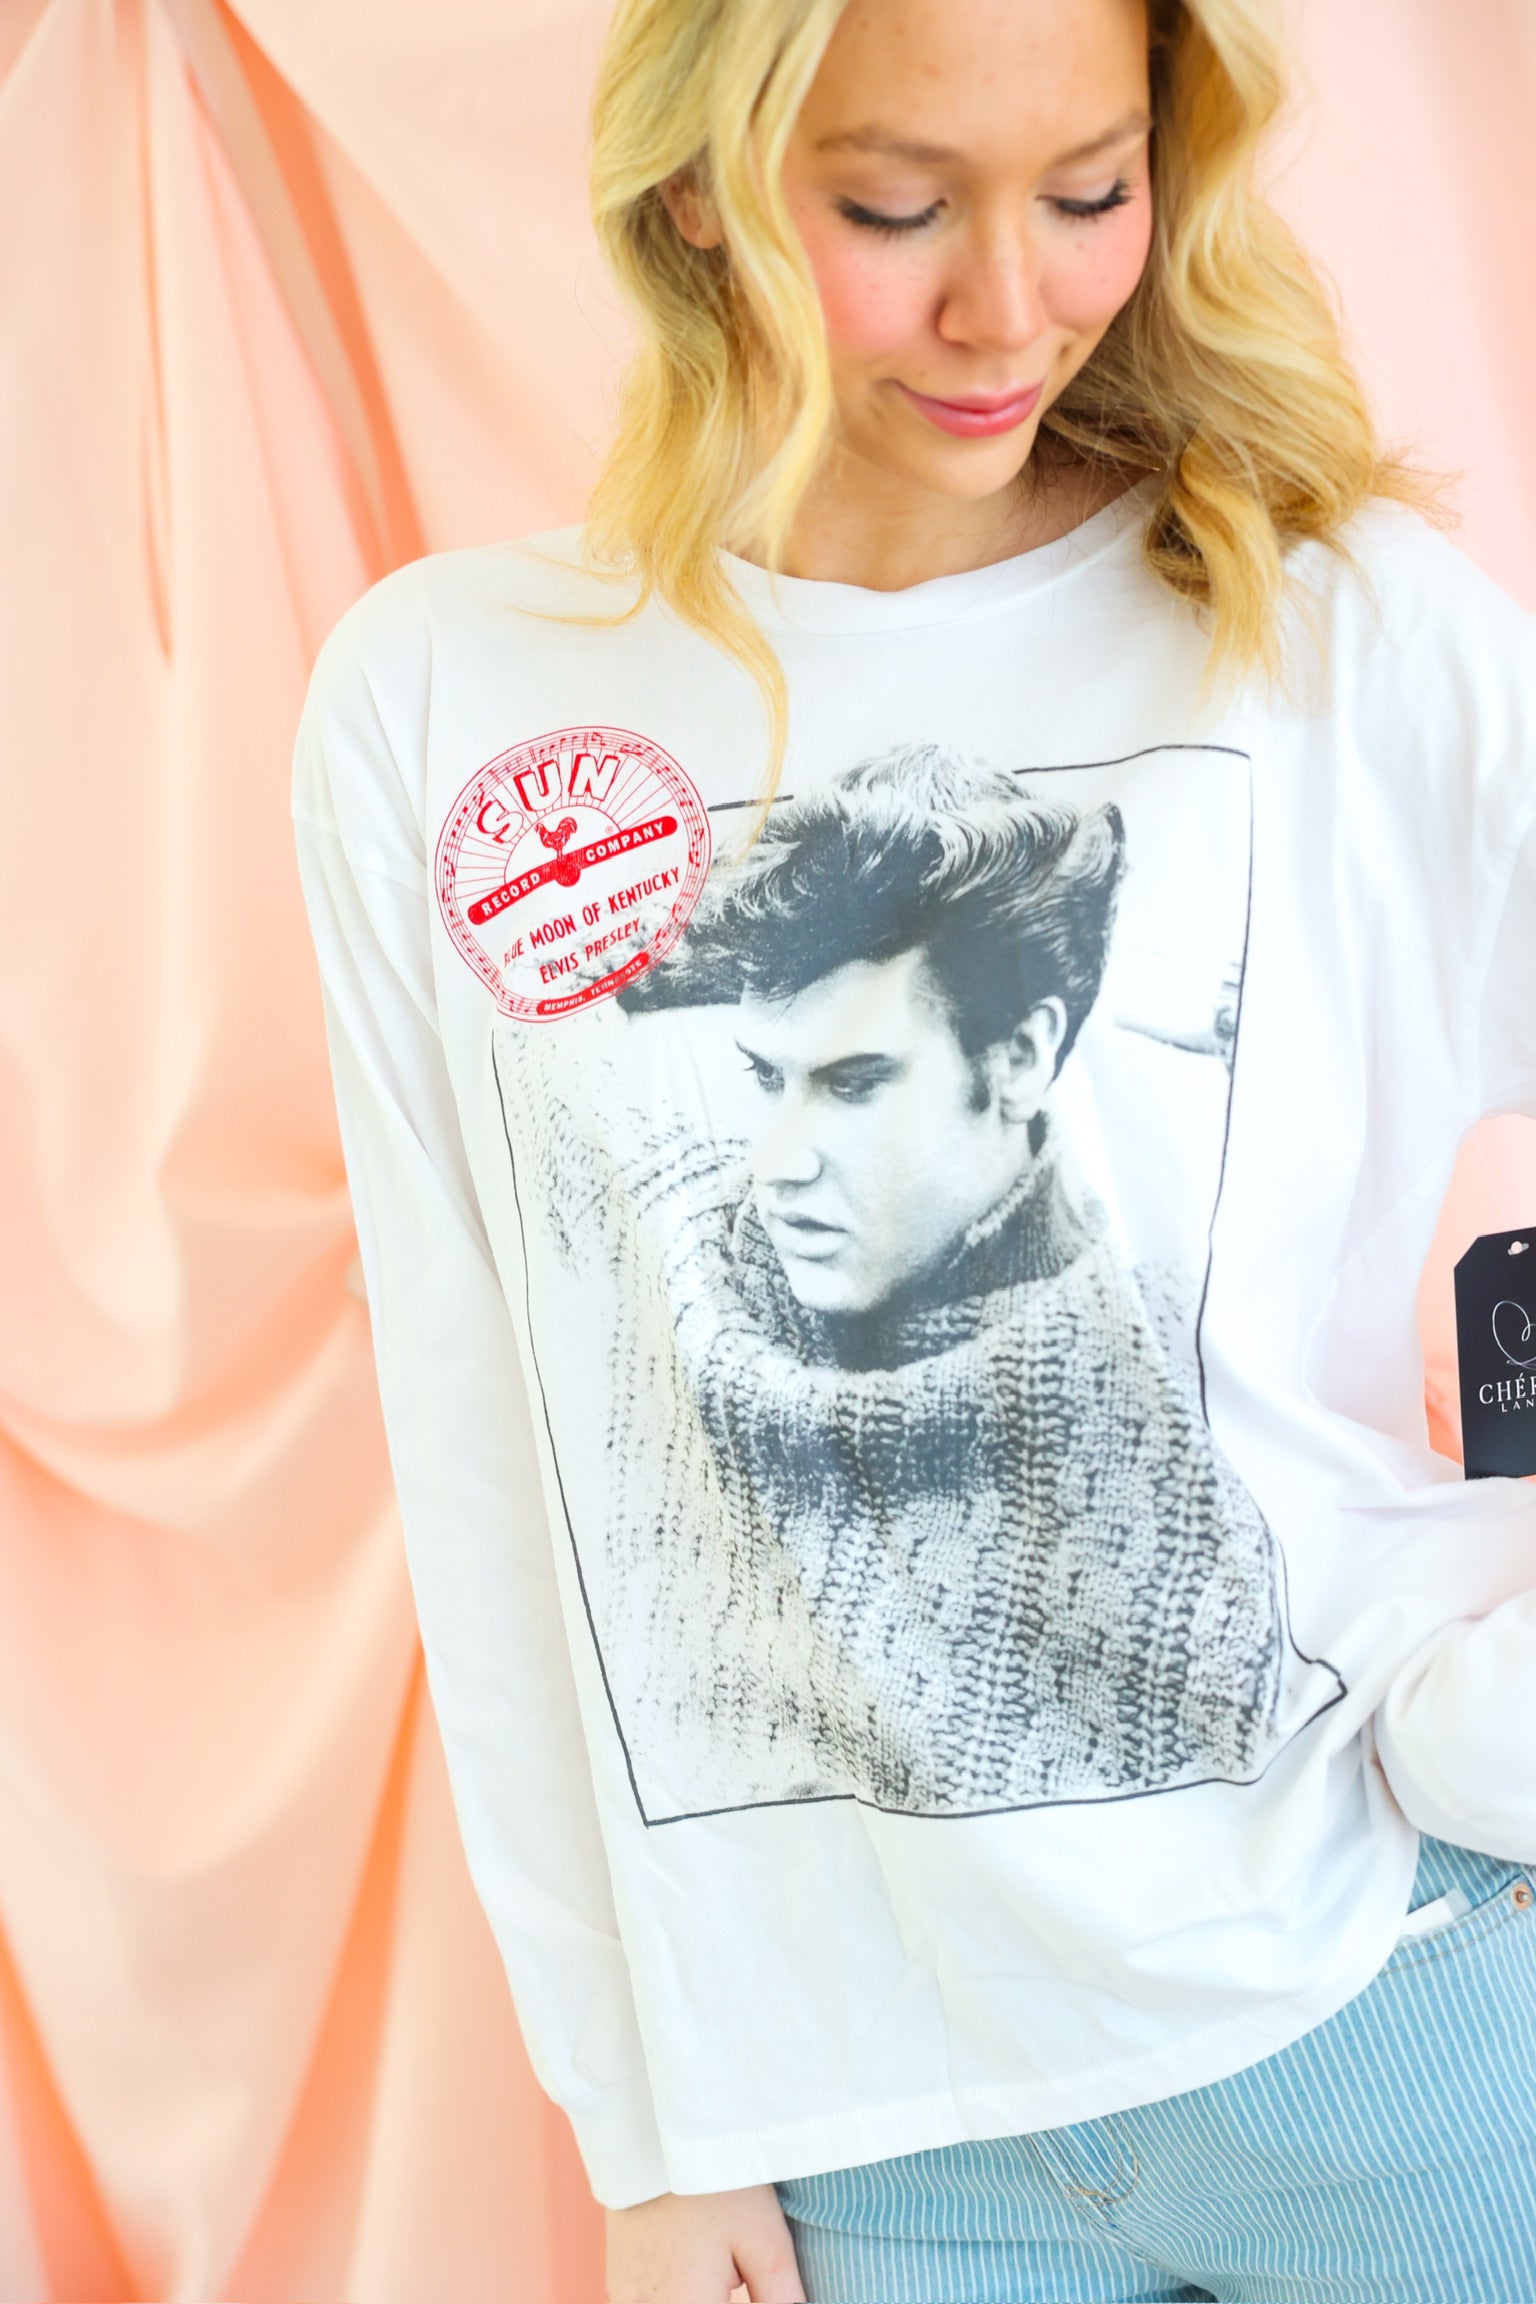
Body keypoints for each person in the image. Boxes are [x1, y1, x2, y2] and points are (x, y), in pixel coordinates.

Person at [292, 0, 1536, 2297]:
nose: (1008, 305)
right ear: (698, 190)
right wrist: (639, 2125)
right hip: (866, 2126)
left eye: (1087, 192)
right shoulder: (450, 696)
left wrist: (1511, 1698)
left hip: (1397, 2006)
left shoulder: (1340, 628)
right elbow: (488, 1458)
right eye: (894, 207)